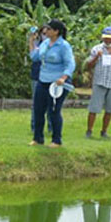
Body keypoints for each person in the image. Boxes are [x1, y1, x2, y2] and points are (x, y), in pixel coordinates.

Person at [30, 19, 75, 147]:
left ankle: (56, 140)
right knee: (38, 110)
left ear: (56, 31)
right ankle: (38, 138)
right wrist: (31, 42)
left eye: (49, 29)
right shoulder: (45, 43)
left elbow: (70, 63)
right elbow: (34, 57)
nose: (46, 31)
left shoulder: (64, 46)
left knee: (54, 111)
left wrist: (64, 77)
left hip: (57, 83)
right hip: (43, 80)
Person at [85, 27, 111, 139]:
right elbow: (88, 66)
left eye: (110, 38)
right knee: (94, 108)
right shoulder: (96, 48)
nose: (108, 40)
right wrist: (96, 57)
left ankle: (104, 131)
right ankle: (89, 131)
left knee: (110, 109)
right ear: (102, 37)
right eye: (106, 38)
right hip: (99, 82)